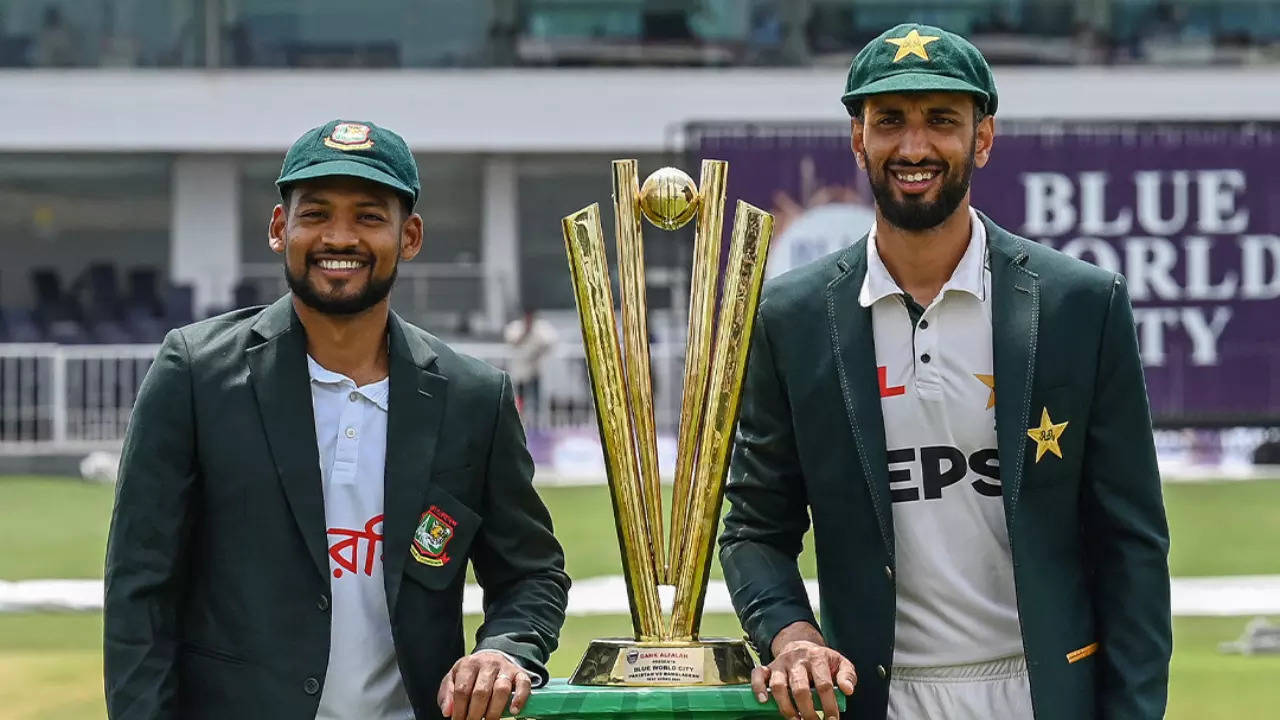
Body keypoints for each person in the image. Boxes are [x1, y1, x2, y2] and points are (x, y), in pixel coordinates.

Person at [719, 24, 1170, 720]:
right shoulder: (794, 315)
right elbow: (753, 525)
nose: (914, 146)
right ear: (857, 138)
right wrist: (791, 634)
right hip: (874, 698)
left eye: (941, 122)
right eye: (889, 121)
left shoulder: (1079, 303)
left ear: (982, 139)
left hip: (1042, 692)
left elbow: (1132, 543)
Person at [104, 119, 570, 720]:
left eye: (370, 217)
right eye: (316, 213)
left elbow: (532, 573)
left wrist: (507, 650)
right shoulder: (196, 374)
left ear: (410, 237)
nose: (340, 237)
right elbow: (140, 589)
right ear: (281, 228)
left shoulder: (472, 397)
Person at [502, 308, 558, 419]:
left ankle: (537, 420)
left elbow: (550, 343)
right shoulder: (516, 327)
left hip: (535, 370)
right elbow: (512, 341)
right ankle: (520, 419)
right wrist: (525, 332)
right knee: (520, 398)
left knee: (536, 398)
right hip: (520, 371)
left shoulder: (541, 328)